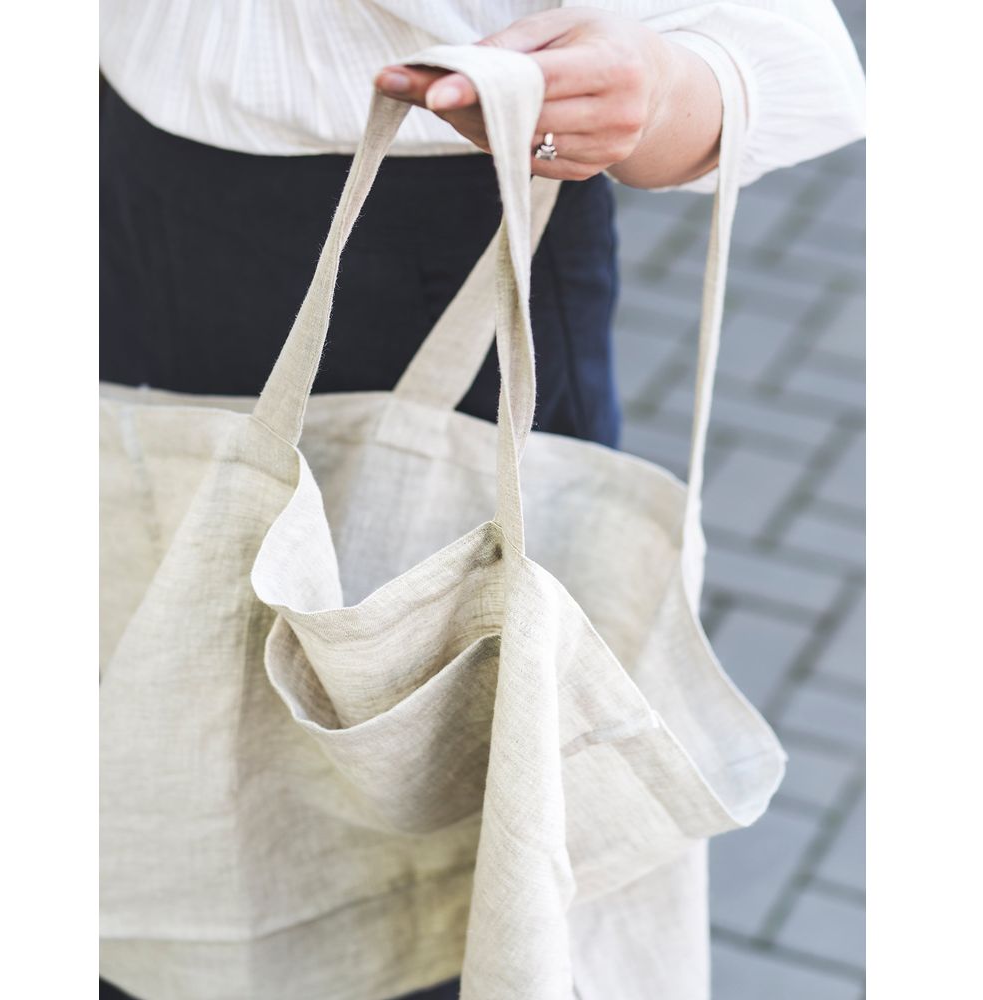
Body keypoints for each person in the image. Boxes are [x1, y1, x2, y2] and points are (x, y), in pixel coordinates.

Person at [100, 2, 864, 997]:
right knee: (149, 739)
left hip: (444, 250)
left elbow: (765, 60)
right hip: (112, 192)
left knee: (442, 848)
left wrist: (656, 89)